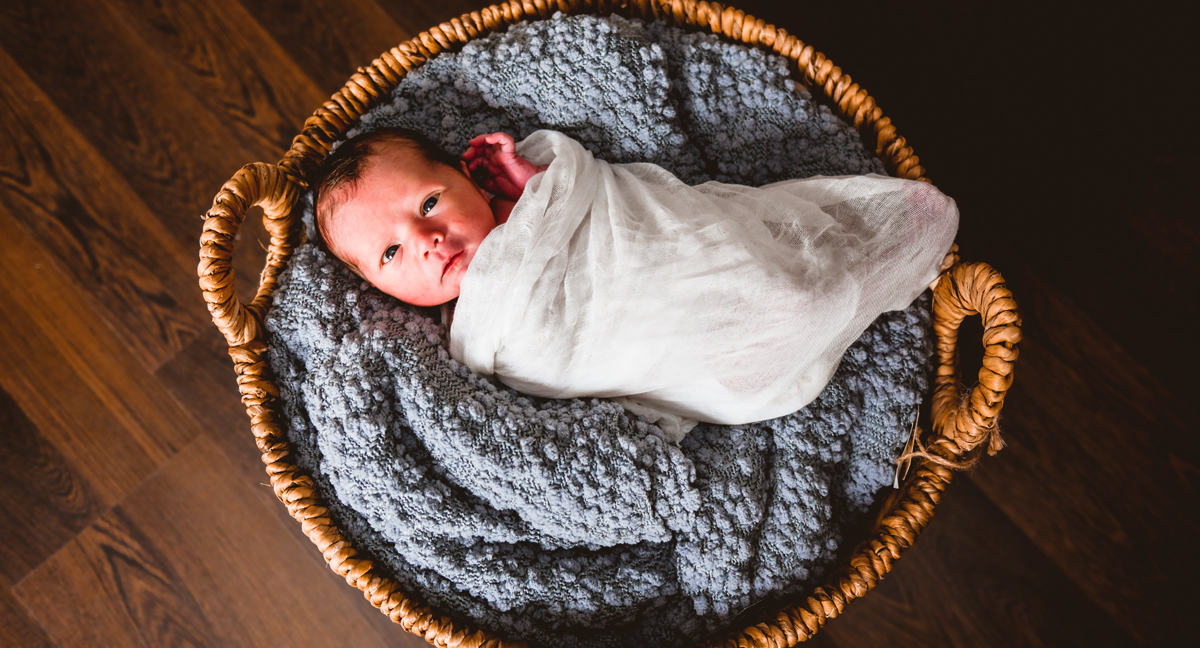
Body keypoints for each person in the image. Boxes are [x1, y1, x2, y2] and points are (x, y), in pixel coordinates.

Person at [314, 126, 958, 440]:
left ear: (466, 177)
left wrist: (523, 179)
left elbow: (609, 205)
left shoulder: (525, 209)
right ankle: (797, 312)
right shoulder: (466, 335)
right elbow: (551, 384)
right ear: (380, 288)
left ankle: (849, 264)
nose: (426, 241)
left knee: (767, 275)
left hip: (682, 265)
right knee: (783, 315)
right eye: (392, 252)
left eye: (428, 202)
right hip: (667, 346)